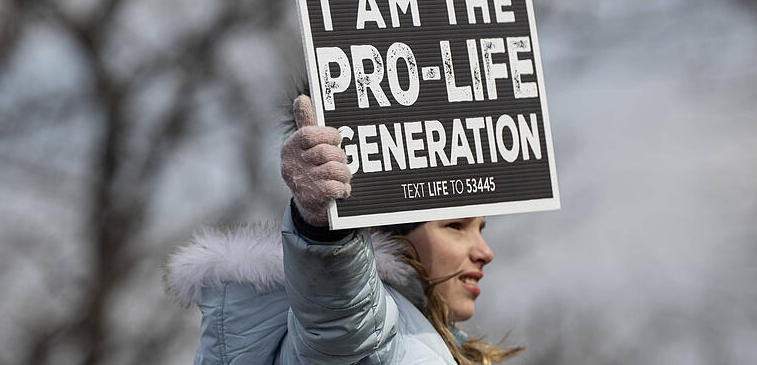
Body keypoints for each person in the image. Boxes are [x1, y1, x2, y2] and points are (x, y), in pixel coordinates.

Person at [165, 95, 522, 364]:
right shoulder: (373, 336)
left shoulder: (421, 334)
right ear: (387, 233)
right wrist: (324, 225)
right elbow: (341, 317)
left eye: (481, 227)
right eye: (456, 226)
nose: (484, 251)